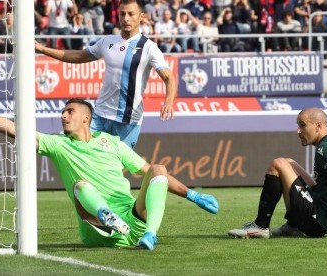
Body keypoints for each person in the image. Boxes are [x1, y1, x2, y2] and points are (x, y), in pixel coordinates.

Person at [35, 0, 218, 216]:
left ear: (141, 16)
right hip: (100, 116)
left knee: (127, 171)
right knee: (80, 154)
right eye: (122, 14)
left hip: (128, 123)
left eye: (131, 14)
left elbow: (169, 77)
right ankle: (98, 212)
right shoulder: (107, 42)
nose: (126, 19)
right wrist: (43, 49)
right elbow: (79, 56)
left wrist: (168, 100)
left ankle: (189, 196)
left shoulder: (149, 48)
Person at [0, 92, 170, 250]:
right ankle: (106, 216)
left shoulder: (111, 142)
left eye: (70, 111)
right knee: (80, 185)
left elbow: (155, 177)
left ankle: (150, 233)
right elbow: (16, 129)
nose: (63, 115)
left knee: (159, 169)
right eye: (63, 112)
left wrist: (192, 195)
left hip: (132, 217)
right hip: (97, 229)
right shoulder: (58, 143)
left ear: (86, 118)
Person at [228, 108, 327, 239]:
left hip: (317, 223)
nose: (298, 131)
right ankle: (293, 225)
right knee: (288, 162)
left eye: (302, 125)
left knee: (278, 164)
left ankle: (260, 226)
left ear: (318, 126)